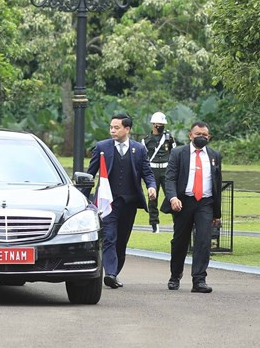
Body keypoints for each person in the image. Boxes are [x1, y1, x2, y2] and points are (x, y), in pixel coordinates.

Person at [87, 113, 157, 289]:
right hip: (108, 202)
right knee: (109, 237)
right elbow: (90, 173)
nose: (112, 130)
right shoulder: (102, 147)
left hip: (130, 202)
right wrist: (83, 197)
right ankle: (109, 273)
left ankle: (114, 273)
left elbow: (147, 172)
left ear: (127, 129)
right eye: (111, 127)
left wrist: (151, 186)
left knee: (122, 240)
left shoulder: (139, 150)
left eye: (116, 127)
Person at [164, 122, 222, 293]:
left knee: (203, 241)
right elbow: (170, 178)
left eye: (205, 134)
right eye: (198, 134)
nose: (201, 137)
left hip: (205, 203)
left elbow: (217, 184)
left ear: (209, 137)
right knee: (180, 242)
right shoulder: (178, 153)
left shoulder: (214, 156)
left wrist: (216, 212)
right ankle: (175, 275)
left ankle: (199, 280)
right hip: (183, 202)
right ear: (190, 135)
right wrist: (173, 197)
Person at [142, 112, 176, 233]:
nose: (161, 126)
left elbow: (174, 153)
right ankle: (154, 223)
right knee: (152, 198)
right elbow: (144, 157)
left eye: (162, 124)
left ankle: (176, 220)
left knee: (172, 195)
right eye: (159, 124)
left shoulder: (169, 138)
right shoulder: (146, 140)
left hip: (166, 170)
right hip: (153, 170)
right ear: (153, 124)